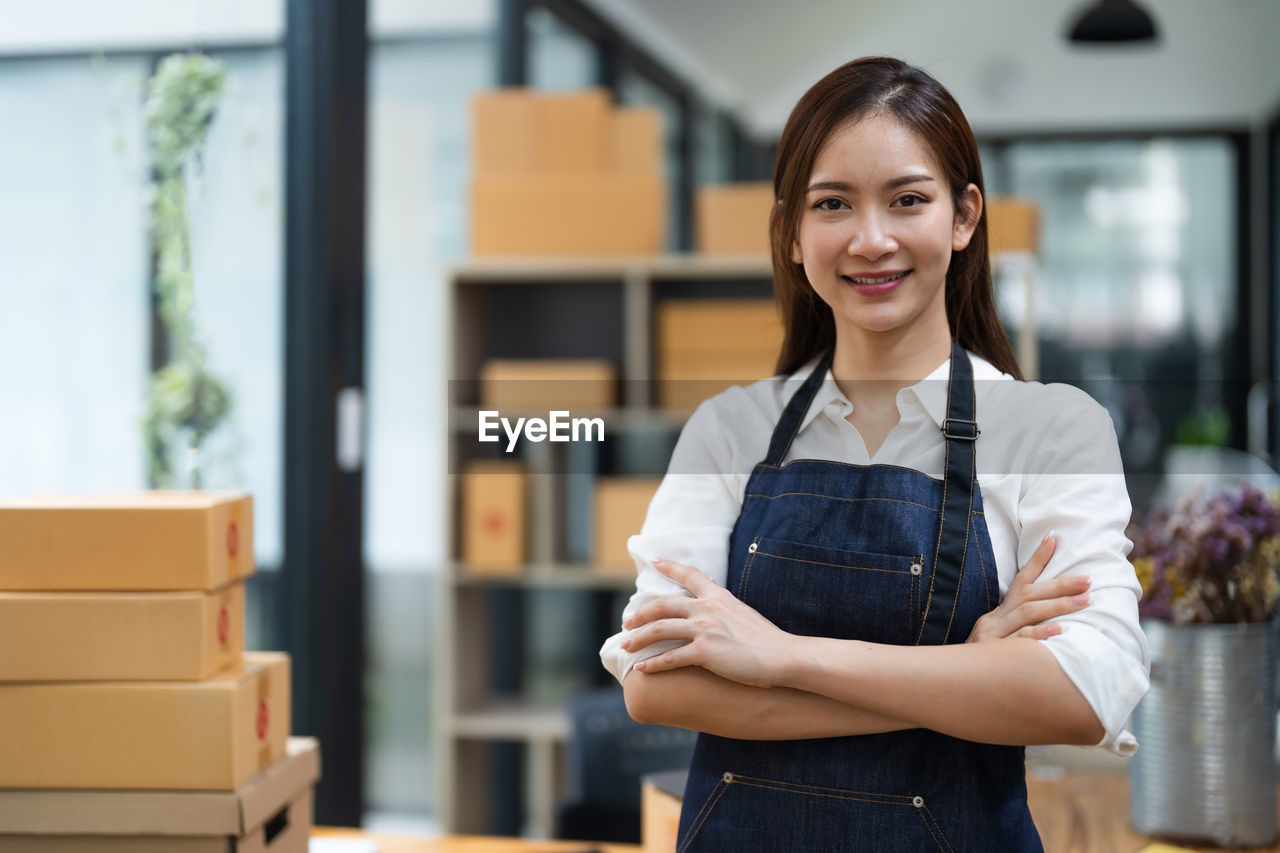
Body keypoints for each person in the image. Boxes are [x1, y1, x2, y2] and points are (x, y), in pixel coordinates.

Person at [598, 57, 1149, 852]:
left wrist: (779, 656)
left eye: (908, 199)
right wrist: (965, 670)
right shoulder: (730, 429)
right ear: (792, 232)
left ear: (963, 217)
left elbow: (1085, 692)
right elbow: (655, 681)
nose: (872, 239)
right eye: (833, 204)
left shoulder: (1052, 430)